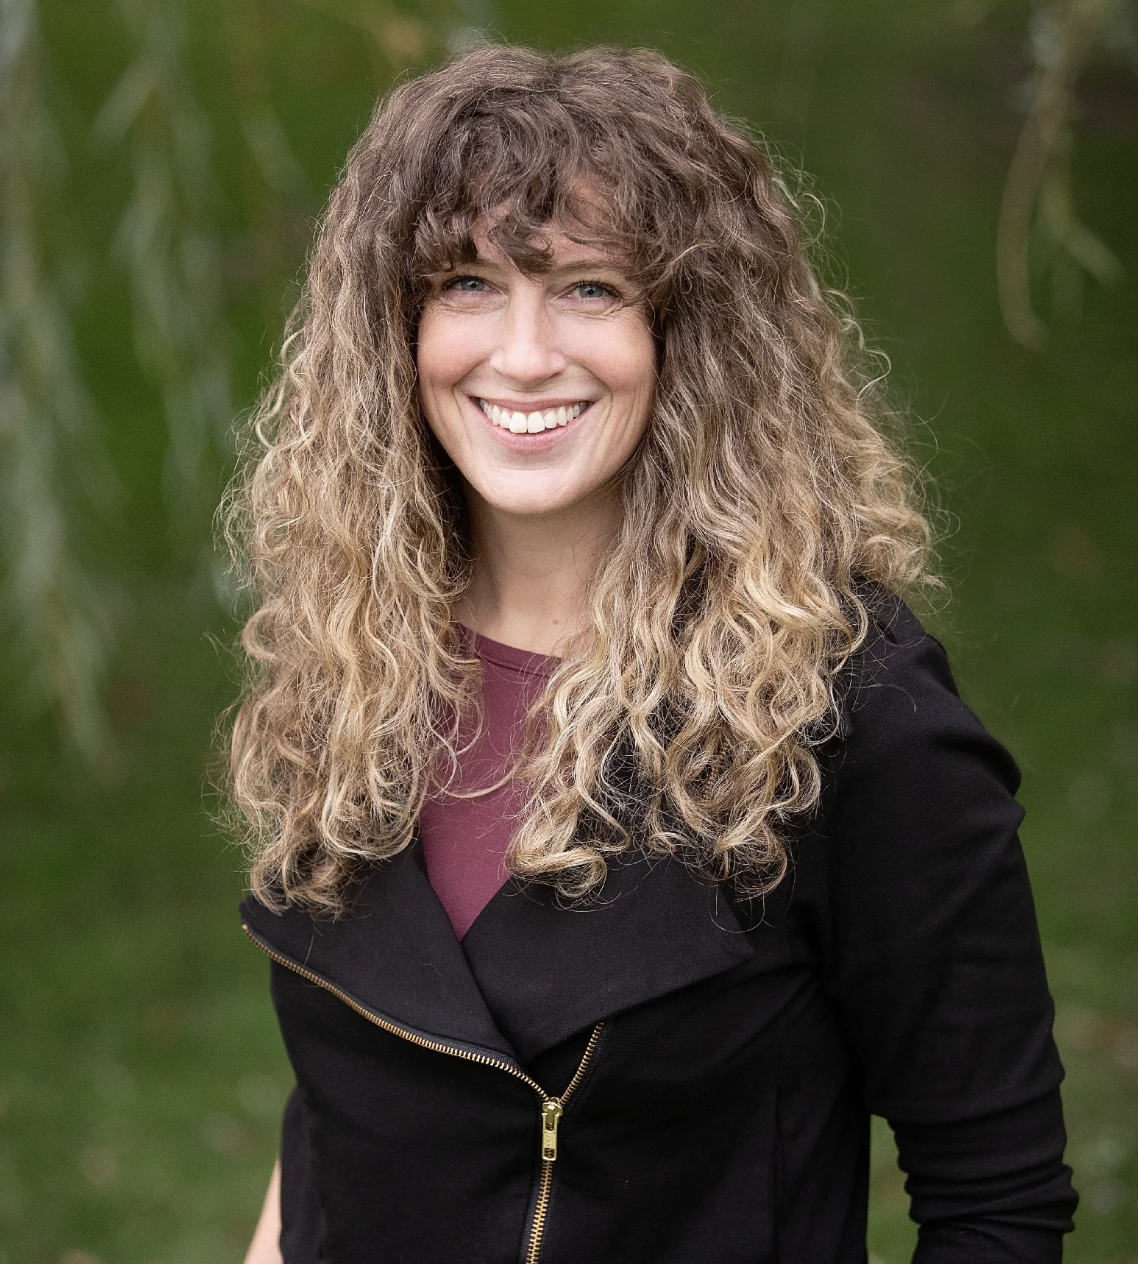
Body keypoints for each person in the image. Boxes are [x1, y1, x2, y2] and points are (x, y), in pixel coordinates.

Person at [224, 43, 1077, 1264]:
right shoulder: (349, 643)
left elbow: (997, 1202)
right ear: (392, 326)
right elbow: (351, 1094)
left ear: (691, 331)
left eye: (588, 287)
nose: (524, 354)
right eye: (466, 282)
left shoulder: (846, 706)